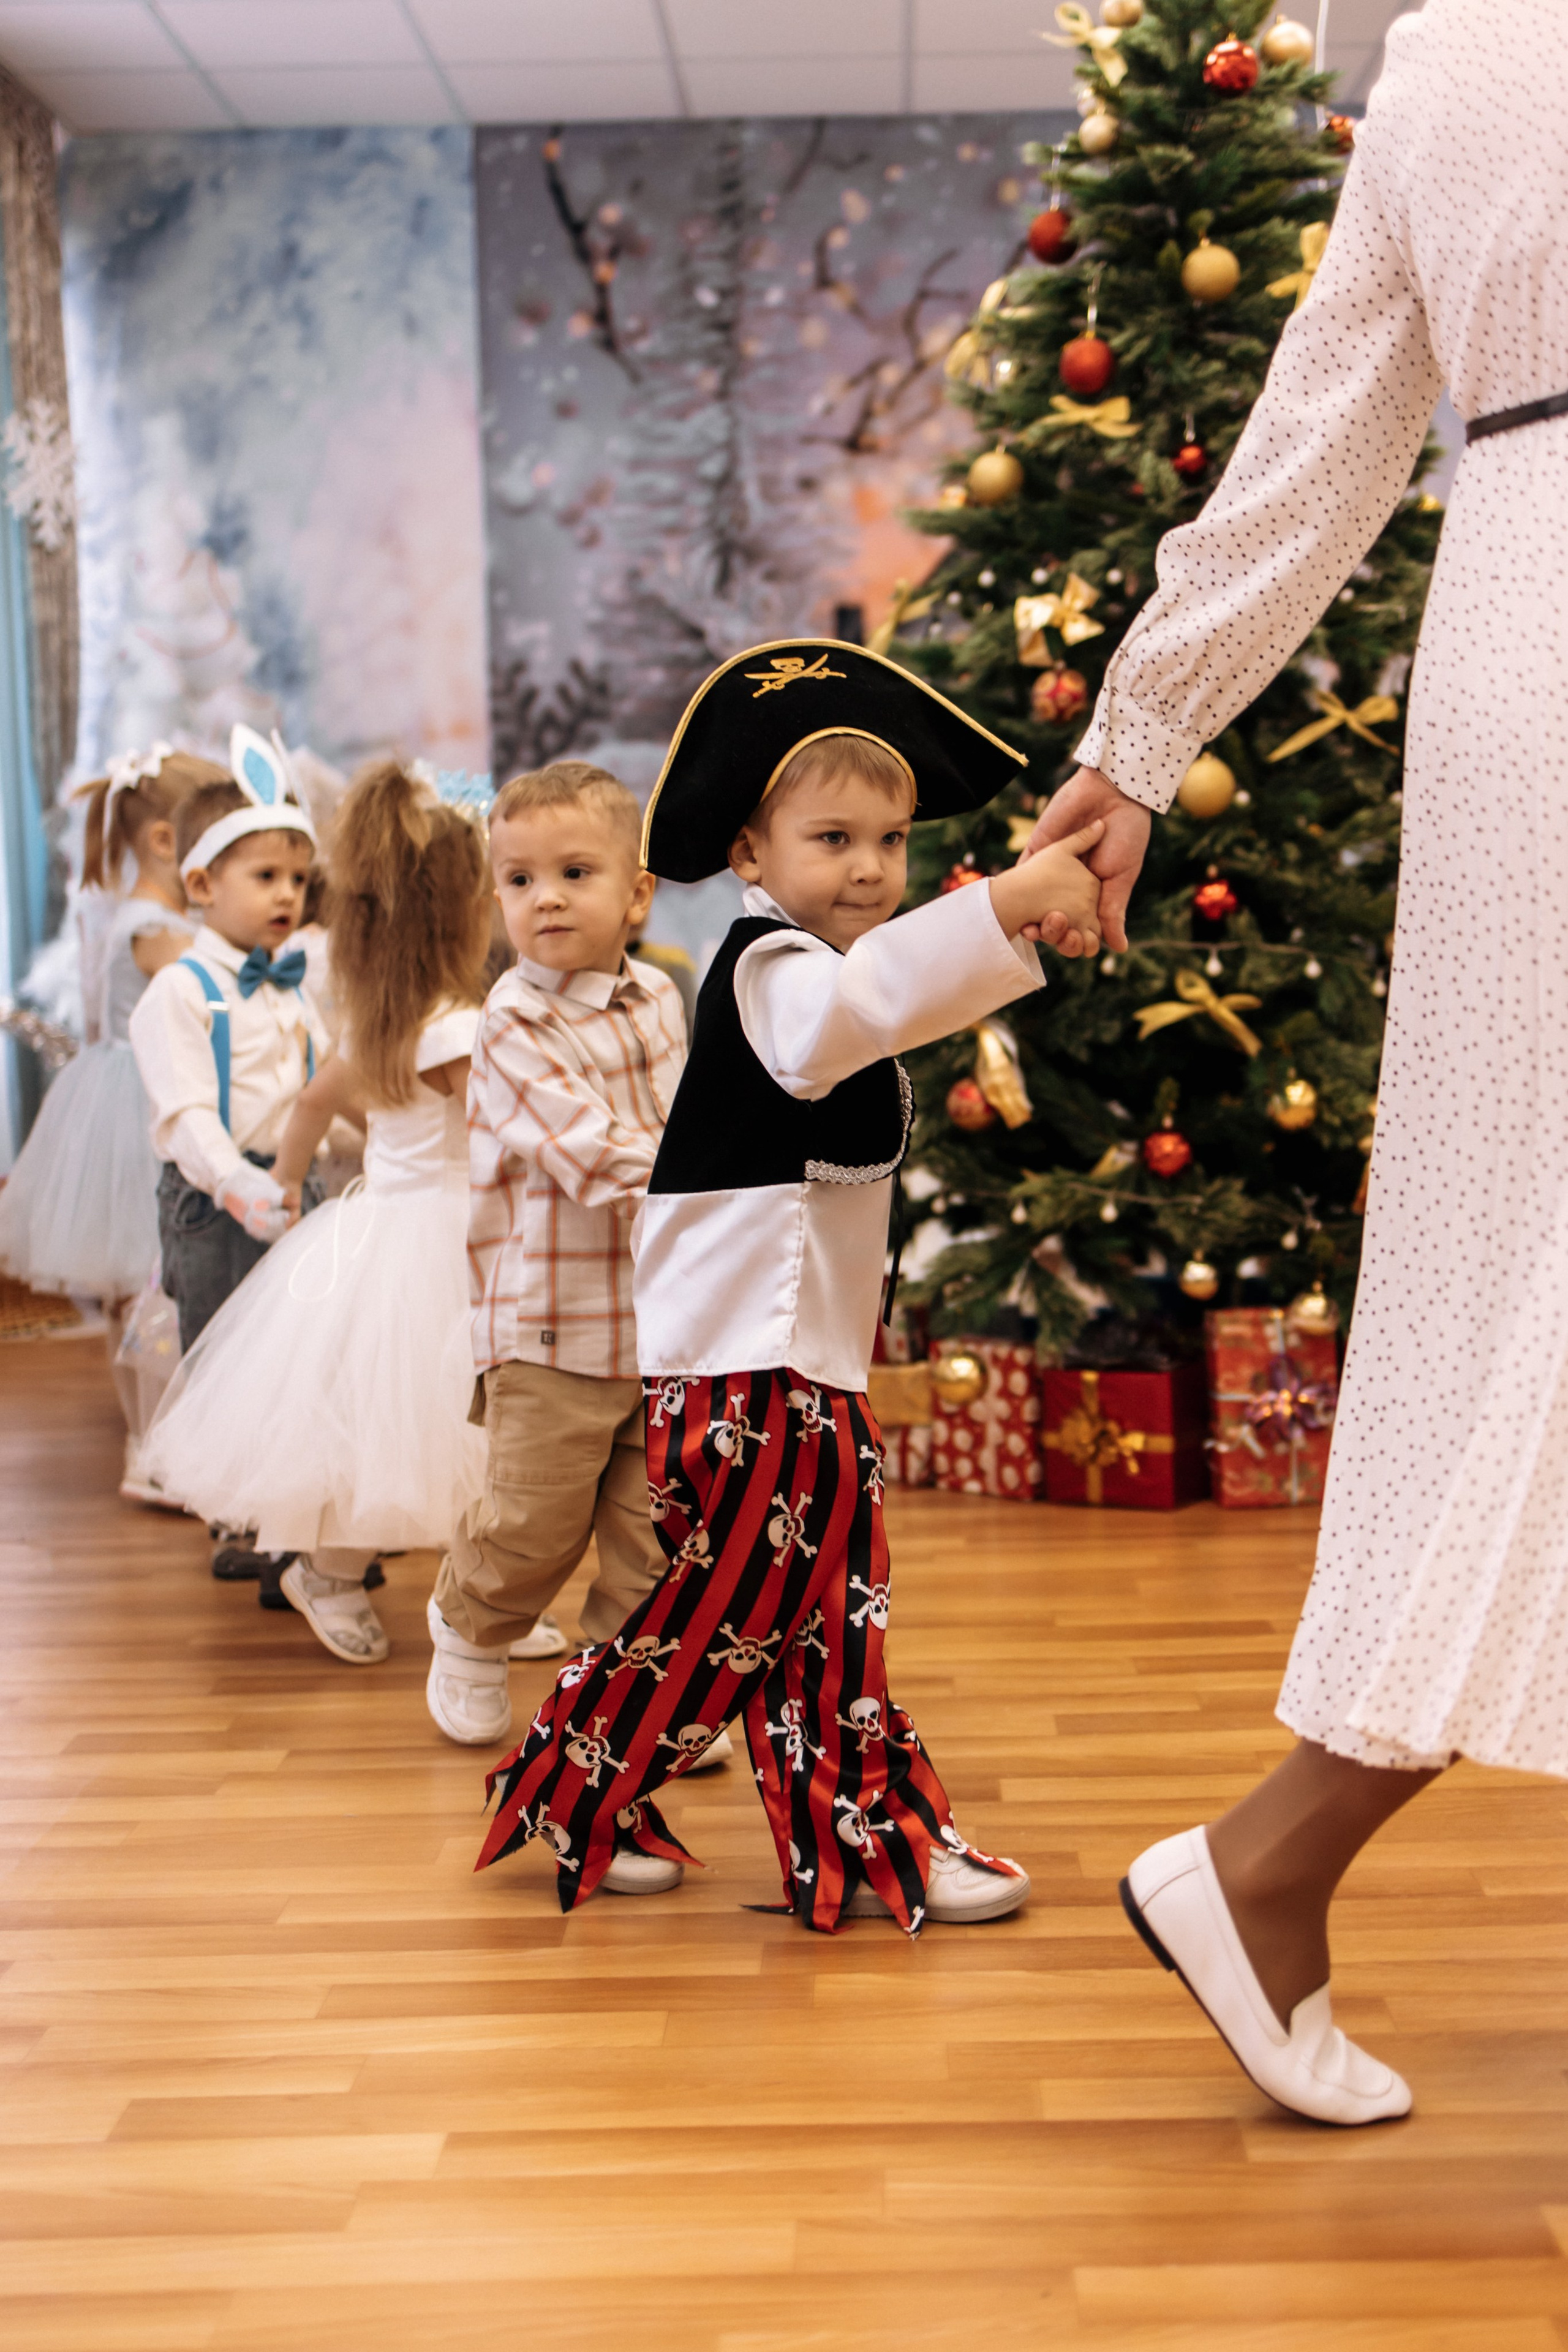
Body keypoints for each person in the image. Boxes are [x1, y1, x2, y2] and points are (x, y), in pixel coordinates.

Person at [1027, 0, 1566, 2125]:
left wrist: (1145, 731)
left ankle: (1276, 1864)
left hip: (1521, 635)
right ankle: (1270, 1860)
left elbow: (1328, 425)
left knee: (1510, 1269)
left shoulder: (1451, 60)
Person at [477, 639, 1105, 1923]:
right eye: (831, 837)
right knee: (737, 1609)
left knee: (824, 1610)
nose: (869, 866)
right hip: (743, 1366)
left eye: (888, 838)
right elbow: (857, 1011)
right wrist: (999, 904)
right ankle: (575, 1778)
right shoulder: (769, 972)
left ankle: (858, 1832)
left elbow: (876, 1018)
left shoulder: (813, 967)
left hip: (799, 1361)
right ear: (752, 858)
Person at [141, 762, 492, 1667]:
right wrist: (267, 1189)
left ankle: (483, 1593)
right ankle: (332, 1570)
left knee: (456, 1429)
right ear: (461, 914)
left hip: (396, 1228)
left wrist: (294, 1179)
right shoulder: (451, 1030)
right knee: (426, 1422)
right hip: (425, 1242)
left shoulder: (387, 1018)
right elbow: (512, 1137)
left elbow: (310, 1099)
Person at [424, 760, 704, 1770]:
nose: (545, 897)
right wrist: (716, 1179)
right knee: (535, 1521)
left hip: (661, 1325)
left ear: (636, 894)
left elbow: (684, 1116)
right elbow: (587, 1150)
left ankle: (621, 1702)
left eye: (575, 872)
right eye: (520, 879)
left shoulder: (660, 1000)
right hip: (548, 1322)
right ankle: (468, 1624)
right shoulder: (508, 1021)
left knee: (651, 1531)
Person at [129, 728, 328, 1586]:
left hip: (295, 1187)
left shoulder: (292, 987)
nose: (287, 895)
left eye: (296, 879)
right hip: (214, 1201)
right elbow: (184, 1117)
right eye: (266, 877)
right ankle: (238, 1518)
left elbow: (326, 1089)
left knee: (295, 1351)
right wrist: (240, 1184)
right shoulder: (182, 989)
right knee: (222, 1356)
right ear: (203, 885)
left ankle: (295, 1517)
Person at [0, 745, 225, 1492]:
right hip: (138, 1104)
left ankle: (160, 1434)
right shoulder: (153, 925)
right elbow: (206, 984)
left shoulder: (143, 912)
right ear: (167, 842)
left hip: (125, 1090)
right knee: (148, 1280)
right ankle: (150, 1446)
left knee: (146, 1283)